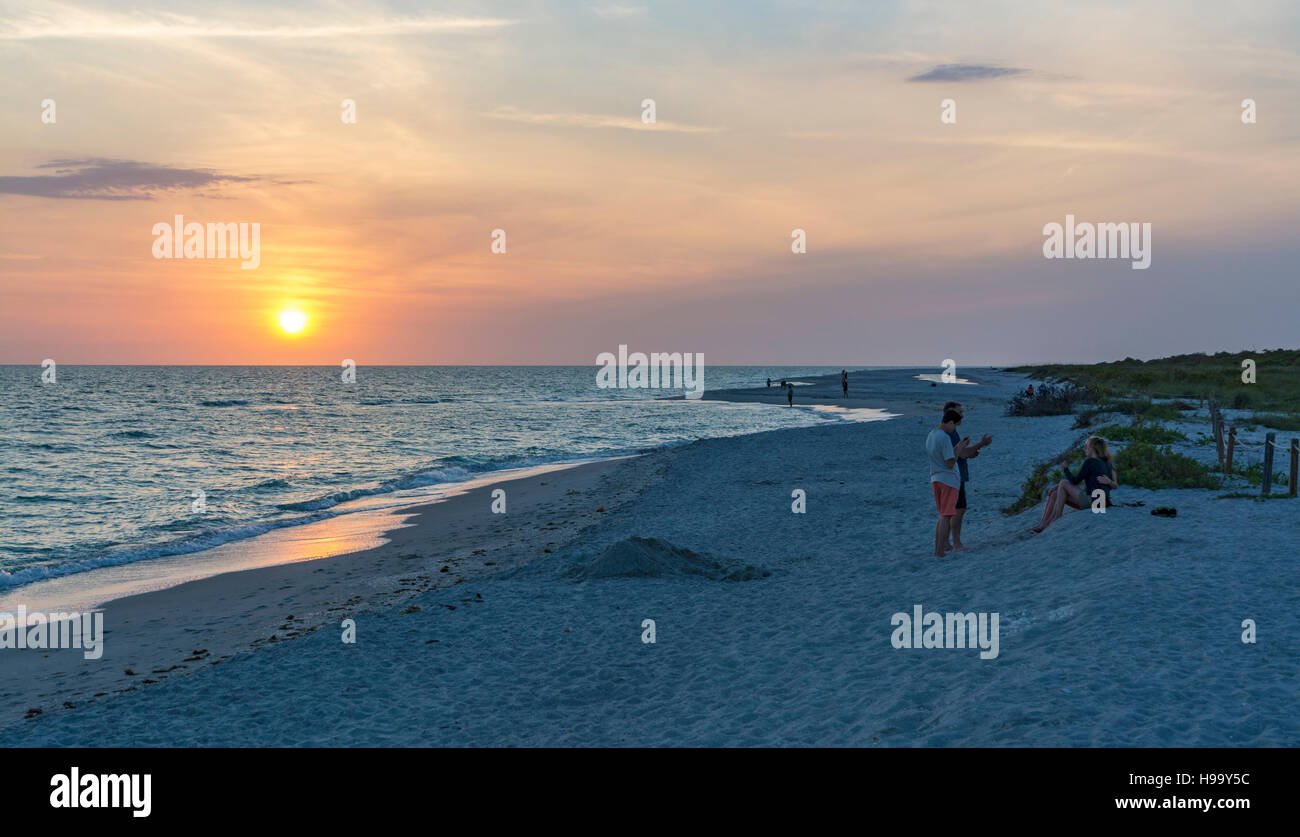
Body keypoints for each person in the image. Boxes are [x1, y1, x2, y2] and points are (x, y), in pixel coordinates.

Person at [1030, 435, 1118, 533]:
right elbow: (1115, 485)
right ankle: (1042, 524)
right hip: (1102, 503)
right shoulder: (1109, 464)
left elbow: (1075, 481)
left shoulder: (1089, 462)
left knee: (1063, 482)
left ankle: (1055, 518)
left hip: (1093, 502)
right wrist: (1058, 487)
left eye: (1086, 446)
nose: (1085, 449)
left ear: (1092, 448)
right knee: (1055, 493)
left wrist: (1065, 470)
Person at [942, 401, 993, 550]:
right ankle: (956, 543)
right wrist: (981, 444)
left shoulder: (950, 431)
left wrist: (972, 452)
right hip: (953, 476)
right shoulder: (949, 432)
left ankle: (947, 542)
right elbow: (960, 453)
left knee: (955, 509)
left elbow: (960, 454)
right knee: (958, 509)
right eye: (959, 412)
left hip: (954, 474)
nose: (962, 415)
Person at [927, 409, 971, 557]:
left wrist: (958, 447)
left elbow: (944, 455)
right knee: (946, 516)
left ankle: (938, 549)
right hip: (947, 480)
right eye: (955, 425)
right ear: (950, 422)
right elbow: (950, 462)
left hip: (935, 477)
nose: (955, 429)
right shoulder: (944, 437)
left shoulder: (932, 434)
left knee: (942, 515)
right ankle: (939, 551)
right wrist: (959, 451)